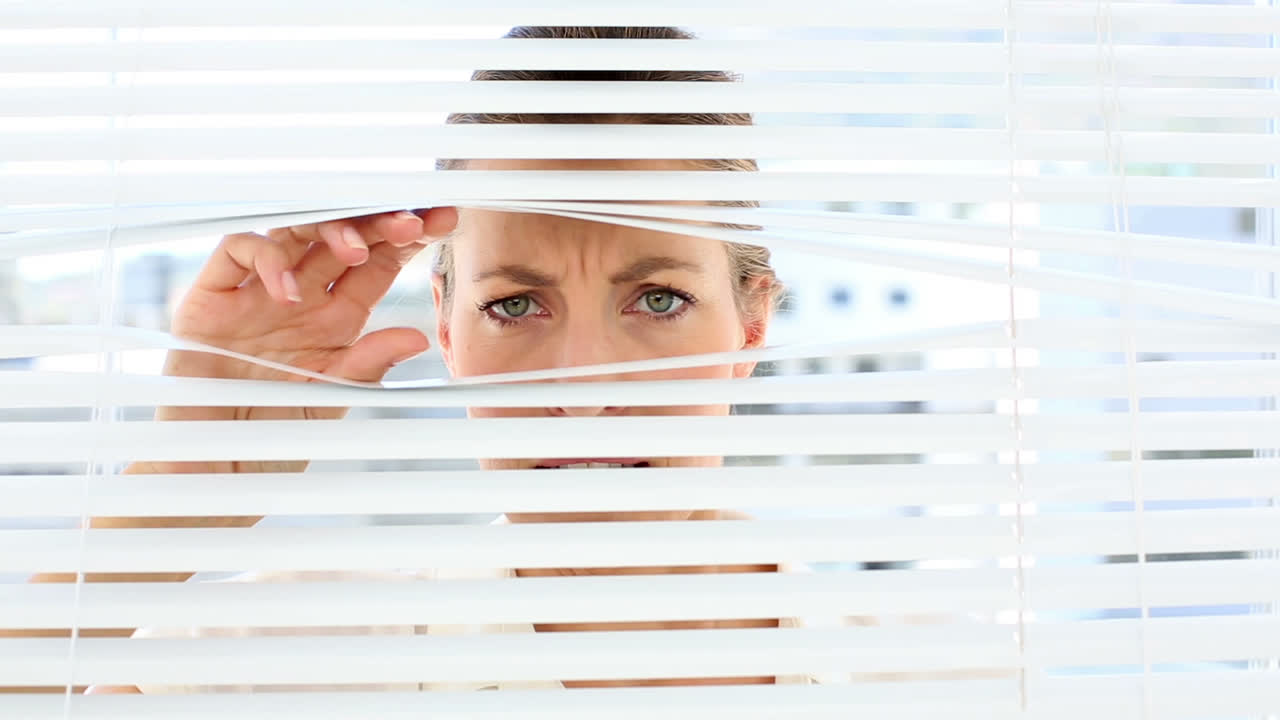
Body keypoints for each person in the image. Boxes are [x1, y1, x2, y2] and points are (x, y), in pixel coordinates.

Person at [16, 26, 806, 693]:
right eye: (515, 305)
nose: (585, 392)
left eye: (658, 300)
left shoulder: (915, 663)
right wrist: (174, 494)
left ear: (752, 322)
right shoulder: (293, 664)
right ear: (448, 327)